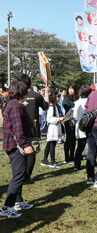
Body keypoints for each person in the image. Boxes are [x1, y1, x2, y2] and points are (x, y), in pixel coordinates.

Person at [0, 82, 35, 218]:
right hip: (16, 146)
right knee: (19, 175)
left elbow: (17, 123)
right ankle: (7, 207)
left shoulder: (15, 104)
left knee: (18, 174)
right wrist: (25, 144)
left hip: (14, 144)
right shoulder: (15, 105)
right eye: (27, 91)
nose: (28, 92)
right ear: (22, 92)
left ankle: (18, 201)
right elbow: (17, 128)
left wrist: (30, 123)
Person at [17, 74, 49, 183]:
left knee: (20, 152)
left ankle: (20, 176)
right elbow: (46, 107)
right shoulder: (36, 95)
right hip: (32, 128)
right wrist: (47, 94)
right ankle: (26, 176)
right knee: (31, 152)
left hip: (17, 128)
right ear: (30, 83)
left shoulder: (13, 96)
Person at [41, 90, 65, 168]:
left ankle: (44, 160)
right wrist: (59, 119)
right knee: (52, 144)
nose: (59, 99)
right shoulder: (51, 107)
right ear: (54, 97)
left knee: (49, 143)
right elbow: (49, 119)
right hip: (52, 127)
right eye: (58, 97)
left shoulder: (55, 106)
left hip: (55, 127)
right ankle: (52, 162)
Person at [73, 85, 92, 170]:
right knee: (92, 147)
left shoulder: (77, 102)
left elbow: (75, 116)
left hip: (80, 126)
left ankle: (77, 165)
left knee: (80, 147)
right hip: (90, 126)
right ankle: (92, 163)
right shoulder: (91, 101)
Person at [63, 83, 79, 164]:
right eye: (69, 89)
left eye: (72, 89)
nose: (71, 90)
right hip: (69, 121)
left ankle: (72, 156)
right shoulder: (66, 99)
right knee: (69, 139)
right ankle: (67, 157)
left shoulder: (77, 98)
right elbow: (68, 109)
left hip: (76, 121)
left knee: (73, 139)